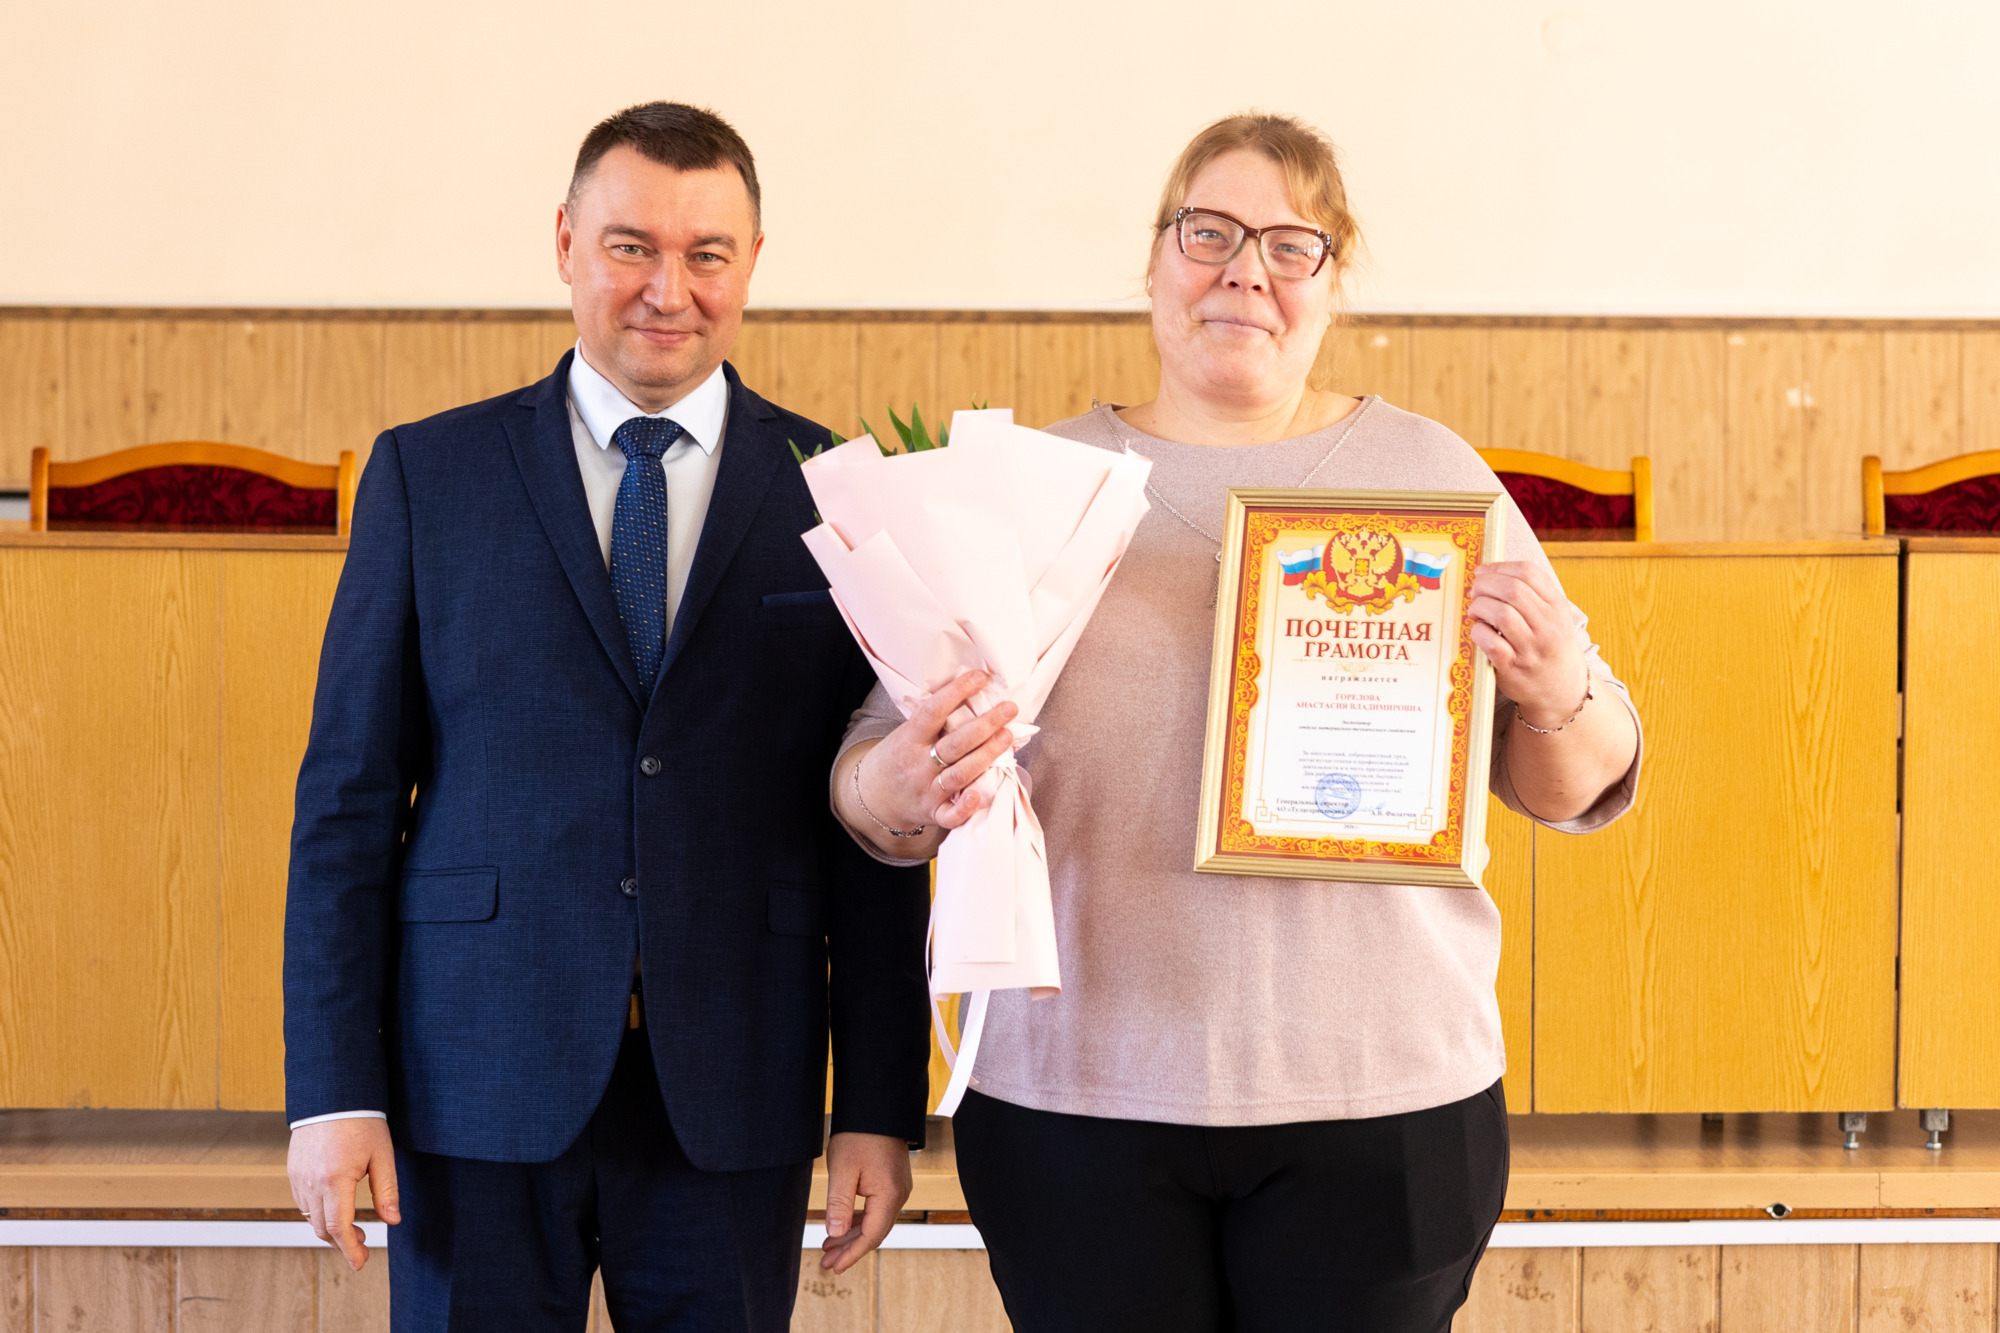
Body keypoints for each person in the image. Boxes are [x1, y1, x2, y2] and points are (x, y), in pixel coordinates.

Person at [832, 113, 1642, 1331]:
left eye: (1287, 244)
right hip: (1076, 1101)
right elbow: (870, 776)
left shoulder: (1431, 477)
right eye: (1206, 232)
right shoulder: (1027, 486)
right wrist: (893, 786)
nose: (1243, 272)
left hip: (1380, 1100)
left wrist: (1554, 681)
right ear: (1154, 260)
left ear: (1332, 278)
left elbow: (1574, 781)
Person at [283, 102, 931, 1332]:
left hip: (734, 1082)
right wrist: (332, 1089)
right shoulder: (429, 475)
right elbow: (347, 805)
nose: (666, 291)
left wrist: (876, 1104)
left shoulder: (840, 492)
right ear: (566, 244)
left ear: (751, 263)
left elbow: (875, 824)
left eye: (706, 254)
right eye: (631, 247)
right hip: (474, 1076)